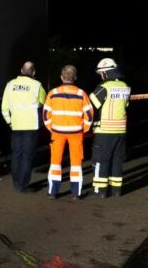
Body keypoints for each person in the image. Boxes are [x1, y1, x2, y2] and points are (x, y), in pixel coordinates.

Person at [43, 65, 93, 200]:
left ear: (61, 77)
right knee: (76, 163)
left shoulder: (53, 93)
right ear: (75, 77)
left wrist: (51, 127)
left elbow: (46, 114)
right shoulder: (81, 94)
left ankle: (53, 192)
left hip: (57, 132)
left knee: (55, 162)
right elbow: (89, 115)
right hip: (76, 133)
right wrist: (84, 129)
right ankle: (75, 193)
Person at [1, 61, 46, 193]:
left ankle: (16, 183)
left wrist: (9, 122)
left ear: (21, 70)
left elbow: (4, 107)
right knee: (27, 156)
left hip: (15, 125)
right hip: (31, 126)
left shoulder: (10, 85)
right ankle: (23, 185)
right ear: (34, 72)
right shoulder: (37, 85)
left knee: (16, 154)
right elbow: (44, 101)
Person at [89, 58, 131, 197]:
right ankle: (116, 189)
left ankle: (100, 190)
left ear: (106, 72)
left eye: (101, 73)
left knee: (102, 160)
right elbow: (125, 105)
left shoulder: (104, 87)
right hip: (121, 130)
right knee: (117, 160)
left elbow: (91, 105)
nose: (100, 76)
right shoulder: (125, 86)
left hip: (105, 131)